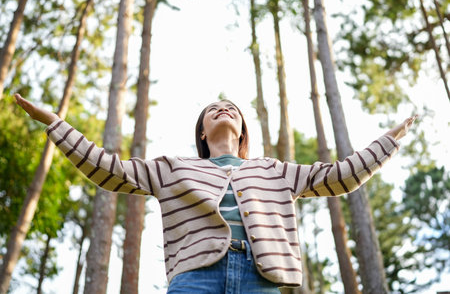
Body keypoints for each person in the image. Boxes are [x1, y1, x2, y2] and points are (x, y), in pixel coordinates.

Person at [15, 94, 417, 293]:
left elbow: (340, 175)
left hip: (262, 279)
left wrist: (389, 140)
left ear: (242, 130)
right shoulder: (173, 168)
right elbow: (109, 170)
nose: (223, 109)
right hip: (195, 279)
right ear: (202, 133)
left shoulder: (273, 171)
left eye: (231, 108)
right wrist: (55, 123)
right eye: (213, 109)